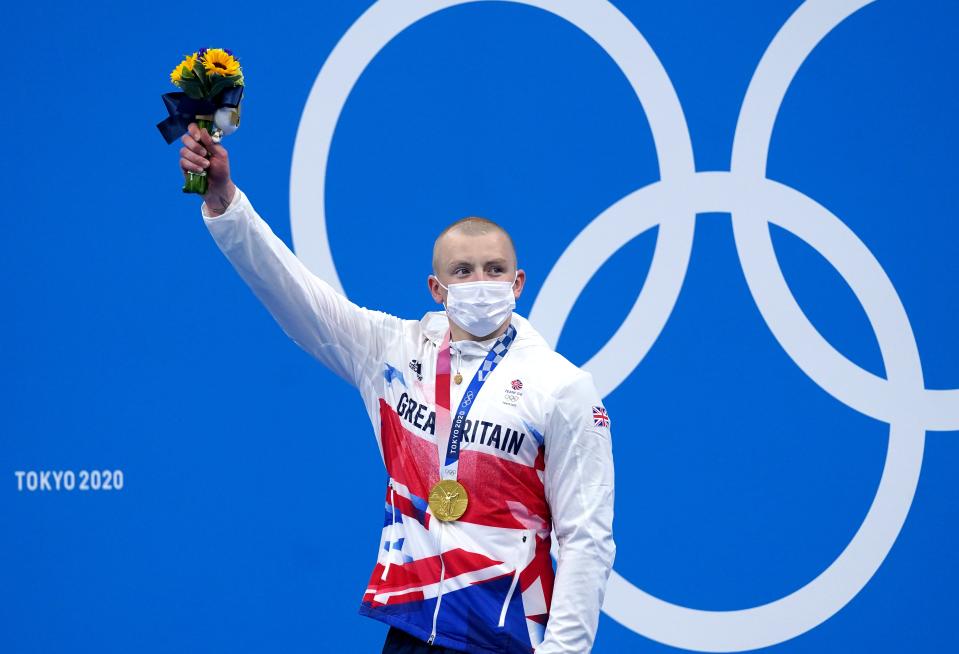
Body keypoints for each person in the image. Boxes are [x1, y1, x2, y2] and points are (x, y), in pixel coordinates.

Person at [179, 124, 615, 653]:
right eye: (464, 270)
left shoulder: (563, 387)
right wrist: (225, 201)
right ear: (437, 288)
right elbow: (291, 291)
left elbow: (585, 537)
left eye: (495, 270)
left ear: (518, 283)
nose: (481, 282)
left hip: (509, 637)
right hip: (410, 631)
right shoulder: (391, 351)